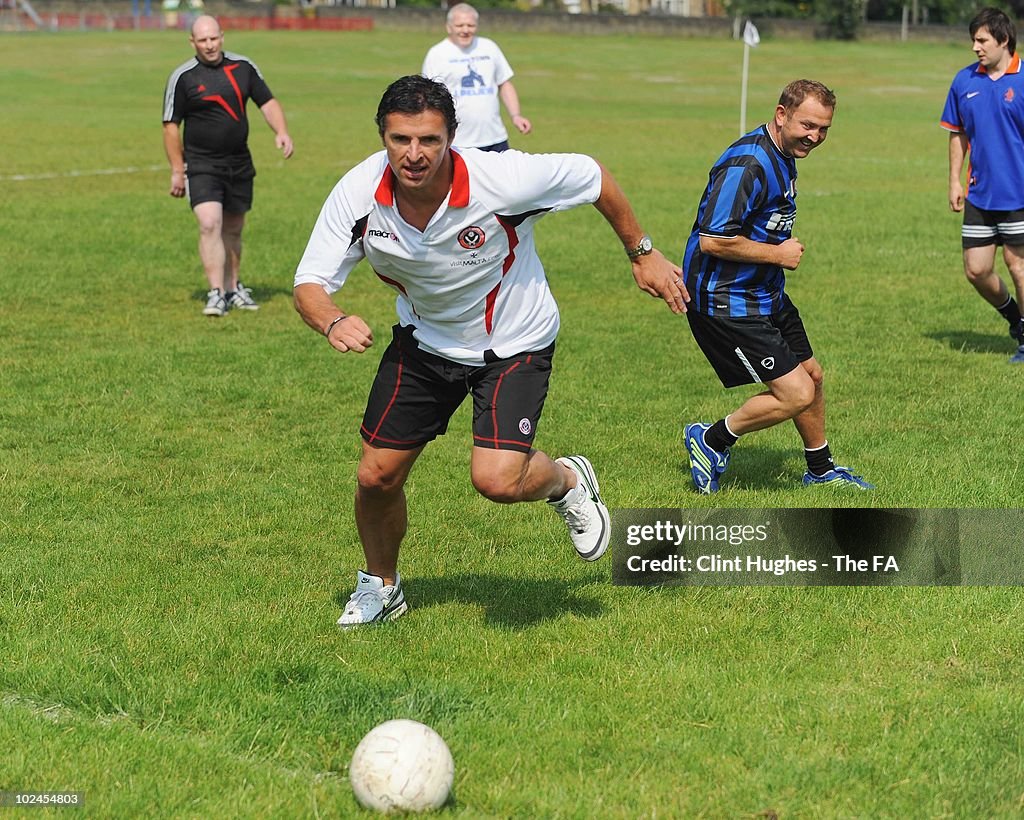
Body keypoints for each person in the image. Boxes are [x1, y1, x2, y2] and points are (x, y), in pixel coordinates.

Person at [293, 75, 687, 628]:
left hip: (514, 341)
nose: (414, 154)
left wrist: (641, 251)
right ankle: (381, 587)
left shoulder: (501, 180)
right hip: (426, 342)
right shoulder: (359, 194)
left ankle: (568, 482)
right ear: (382, 136)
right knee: (375, 476)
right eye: (400, 139)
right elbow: (309, 283)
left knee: (498, 480)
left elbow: (592, 176)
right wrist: (331, 319)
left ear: (452, 137)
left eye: (429, 140)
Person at [681, 79, 873, 494]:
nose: (815, 136)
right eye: (808, 125)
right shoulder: (747, 165)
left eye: (823, 129)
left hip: (764, 292)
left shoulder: (785, 152)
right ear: (781, 114)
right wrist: (778, 255)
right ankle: (711, 440)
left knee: (812, 376)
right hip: (725, 300)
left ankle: (820, 468)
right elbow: (713, 239)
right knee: (795, 393)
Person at [162, 14, 294, 317]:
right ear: (192, 42)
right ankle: (216, 293)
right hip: (201, 163)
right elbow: (170, 126)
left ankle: (233, 288)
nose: (209, 45)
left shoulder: (243, 67)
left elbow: (267, 102)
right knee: (210, 223)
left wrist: (281, 131)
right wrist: (177, 169)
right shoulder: (183, 77)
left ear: (222, 36)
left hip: (239, 162)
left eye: (213, 38)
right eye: (202, 40)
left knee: (234, 228)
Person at [941, 7, 1024, 364]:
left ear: (1003, 40)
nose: (975, 47)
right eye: (973, 40)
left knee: (1017, 266)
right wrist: (954, 181)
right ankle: (1016, 321)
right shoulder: (964, 82)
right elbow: (957, 134)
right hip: (980, 193)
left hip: (1018, 193)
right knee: (976, 269)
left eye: (982, 40)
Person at [421, 3, 530, 152]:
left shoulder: (489, 47)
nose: (465, 30)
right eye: (460, 25)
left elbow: (504, 83)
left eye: (470, 25)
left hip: (495, 138)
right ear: (449, 27)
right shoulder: (437, 54)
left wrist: (516, 115)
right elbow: (429, 96)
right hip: (457, 141)